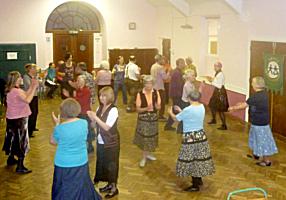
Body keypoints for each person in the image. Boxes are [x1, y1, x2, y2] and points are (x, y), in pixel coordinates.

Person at [50, 98, 101, 200]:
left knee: (64, 189)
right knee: (81, 186)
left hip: (64, 163)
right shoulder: (83, 123)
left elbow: (53, 141)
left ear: (63, 111)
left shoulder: (60, 128)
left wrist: (56, 124)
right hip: (81, 161)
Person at [169, 90, 215, 192]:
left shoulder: (188, 109)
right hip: (201, 136)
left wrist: (170, 112)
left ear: (189, 98)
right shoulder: (202, 106)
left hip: (190, 137)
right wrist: (181, 110)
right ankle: (199, 180)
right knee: (199, 158)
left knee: (191, 159)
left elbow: (176, 119)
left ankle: (195, 186)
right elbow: (190, 116)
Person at [228, 76, 278, 166]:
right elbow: (249, 104)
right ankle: (256, 155)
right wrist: (241, 105)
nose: (251, 84)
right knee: (256, 139)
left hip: (260, 123)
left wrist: (233, 108)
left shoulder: (256, 96)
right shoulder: (263, 94)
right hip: (260, 122)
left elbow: (244, 105)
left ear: (256, 85)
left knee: (262, 141)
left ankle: (267, 161)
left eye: (252, 82)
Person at [2, 71, 38, 173]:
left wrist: (32, 86)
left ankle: (11, 158)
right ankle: (20, 166)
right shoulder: (16, 91)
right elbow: (27, 100)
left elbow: (25, 94)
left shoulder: (12, 90)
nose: (21, 78)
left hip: (12, 118)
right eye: (20, 77)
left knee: (12, 138)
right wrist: (34, 87)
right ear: (16, 79)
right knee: (22, 141)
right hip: (19, 119)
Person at [87, 87, 120, 199]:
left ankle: (114, 188)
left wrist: (95, 117)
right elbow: (94, 125)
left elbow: (106, 127)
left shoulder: (113, 110)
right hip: (101, 140)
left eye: (104, 96)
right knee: (103, 162)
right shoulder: (100, 108)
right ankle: (108, 184)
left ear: (110, 96)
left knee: (112, 164)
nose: (101, 98)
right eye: (100, 95)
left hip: (111, 141)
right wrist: (92, 119)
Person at [133, 75, 161, 167]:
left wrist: (157, 107)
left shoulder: (156, 92)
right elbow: (138, 110)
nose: (149, 86)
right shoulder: (140, 94)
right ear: (144, 84)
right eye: (147, 83)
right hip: (144, 119)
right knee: (145, 139)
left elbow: (158, 107)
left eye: (151, 83)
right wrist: (146, 108)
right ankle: (144, 157)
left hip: (153, 119)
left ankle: (148, 154)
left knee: (151, 138)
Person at [63, 75, 95, 153]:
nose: (77, 82)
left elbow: (80, 102)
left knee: (87, 131)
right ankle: (84, 145)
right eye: (77, 81)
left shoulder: (86, 90)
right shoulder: (78, 90)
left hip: (85, 113)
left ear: (84, 82)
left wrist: (69, 96)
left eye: (79, 81)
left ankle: (90, 147)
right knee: (82, 130)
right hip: (79, 113)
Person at [164, 58, 185, 131]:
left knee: (175, 110)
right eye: (183, 63)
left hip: (176, 95)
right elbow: (179, 86)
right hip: (177, 95)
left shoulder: (177, 71)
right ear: (179, 64)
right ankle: (176, 127)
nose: (184, 64)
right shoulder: (177, 73)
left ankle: (168, 126)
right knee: (177, 110)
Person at [207, 61, 229, 130]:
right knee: (212, 105)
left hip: (220, 92)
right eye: (214, 66)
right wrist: (212, 80)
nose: (214, 68)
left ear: (219, 67)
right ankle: (214, 119)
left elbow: (219, 85)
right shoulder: (217, 73)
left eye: (215, 66)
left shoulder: (221, 74)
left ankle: (224, 125)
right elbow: (216, 81)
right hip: (216, 91)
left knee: (220, 109)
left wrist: (211, 81)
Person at [150, 54, 170, 120]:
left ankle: (154, 114)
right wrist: (169, 72)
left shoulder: (153, 66)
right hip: (160, 87)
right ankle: (161, 116)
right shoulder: (160, 67)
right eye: (162, 59)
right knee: (162, 102)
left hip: (153, 86)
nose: (163, 60)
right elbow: (165, 77)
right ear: (159, 60)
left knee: (154, 101)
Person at [23, 63, 39, 137]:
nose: (36, 70)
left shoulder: (35, 76)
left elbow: (39, 85)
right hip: (29, 97)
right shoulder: (26, 77)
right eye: (34, 68)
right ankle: (29, 131)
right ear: (30, 69)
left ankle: (33, 127)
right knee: (31, 113)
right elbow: (30, 86)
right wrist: (35, 84)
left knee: (36, 112)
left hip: (35, 96)